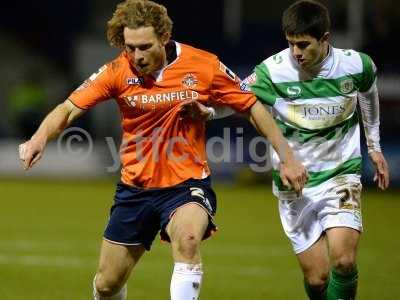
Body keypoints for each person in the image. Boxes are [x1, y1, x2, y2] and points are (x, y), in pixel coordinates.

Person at [18, 1, 307, 299]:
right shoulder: (117, 71)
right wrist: (39, 138)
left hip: (187, 184)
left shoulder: (203, 65)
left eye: (144, 47)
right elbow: (68, 109)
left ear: (164, 37)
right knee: (107, 284)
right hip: (136, 189)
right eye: (130, 47)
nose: (137, 56)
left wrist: (287, 158)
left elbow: (251, 107)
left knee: (189, 239)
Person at [186, 0, 390, 299]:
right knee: (318, 278)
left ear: (325, 39)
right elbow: (240, 98)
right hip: (294, 181)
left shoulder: (356, 65)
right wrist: (210, 114)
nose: (297, 53)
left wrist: (374, 146)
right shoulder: (274, 70)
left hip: (341, 173)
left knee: (344, 260)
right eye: (292, 44)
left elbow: (368, 93)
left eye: (304, 45)